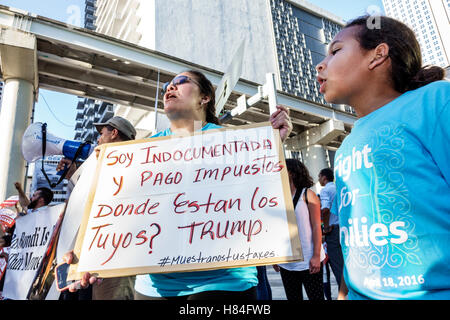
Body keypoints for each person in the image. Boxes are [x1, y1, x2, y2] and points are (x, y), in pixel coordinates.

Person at [69, 69, 293, 300]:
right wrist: (92, 256)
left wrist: (272, 145)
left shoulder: (235, 143)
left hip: (223, 283)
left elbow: (260, 196)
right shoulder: (139, 153)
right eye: (168, 85)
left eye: (181, 82)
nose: (170, 88)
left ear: (205, 98)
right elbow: (116, 212)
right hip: (153, 288)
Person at [316, 15, 449, 299]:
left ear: (378, 55)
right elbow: (352, 236)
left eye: (336, 51)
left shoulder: (436, 101)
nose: (320, 64)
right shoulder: (345, 148)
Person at [61, 116, 137, 300]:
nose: (98, 138)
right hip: (87, 255)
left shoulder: (134, 165)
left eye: (101, 133)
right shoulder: (96, 163)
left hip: (114, 256)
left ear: (114, 133)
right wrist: (73, 176)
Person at [273, 159, 325, 300]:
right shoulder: (277, 197)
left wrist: (316, 255)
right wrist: (275, 256)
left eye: (283, 169)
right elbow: (276, 228)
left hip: (309, 259)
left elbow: (316, 226)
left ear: (293, 173)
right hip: (287, 262)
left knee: (316, 297)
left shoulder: (308, 194)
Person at [318, 168, 344, 291]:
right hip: (344, 228)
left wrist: (326, 226)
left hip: (333, 230)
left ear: (324, 177)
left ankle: (344, 293)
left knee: (337, 265)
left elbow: (325, 209)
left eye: (319, 177)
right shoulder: (339, 187)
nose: (318, 179)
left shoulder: (325, 190)